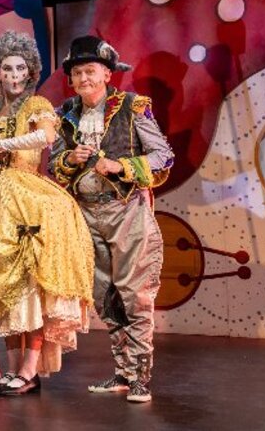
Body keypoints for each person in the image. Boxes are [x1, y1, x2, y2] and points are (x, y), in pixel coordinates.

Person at [0, 30, 94, 397]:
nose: (15, 74)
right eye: (7, 68)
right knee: (2, 290)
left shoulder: (36, 106)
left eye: (21, 67)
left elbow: (45, 138)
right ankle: (13, 370)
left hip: (27, 199)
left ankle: (30, 368)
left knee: (31, 287)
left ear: (30, 70)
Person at [49, 35, 173, 404]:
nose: (84, 78)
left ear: (106, 73)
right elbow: (55, 165)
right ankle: (122, 371)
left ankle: (140, 377)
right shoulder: (64, 114)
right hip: (85, 214)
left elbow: (163, 157)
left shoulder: (133, 107)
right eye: (77, 73)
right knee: (105, 296)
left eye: (90, 71)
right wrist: (69, 161)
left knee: (135, 294)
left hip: (126, 210)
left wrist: (121, 166)